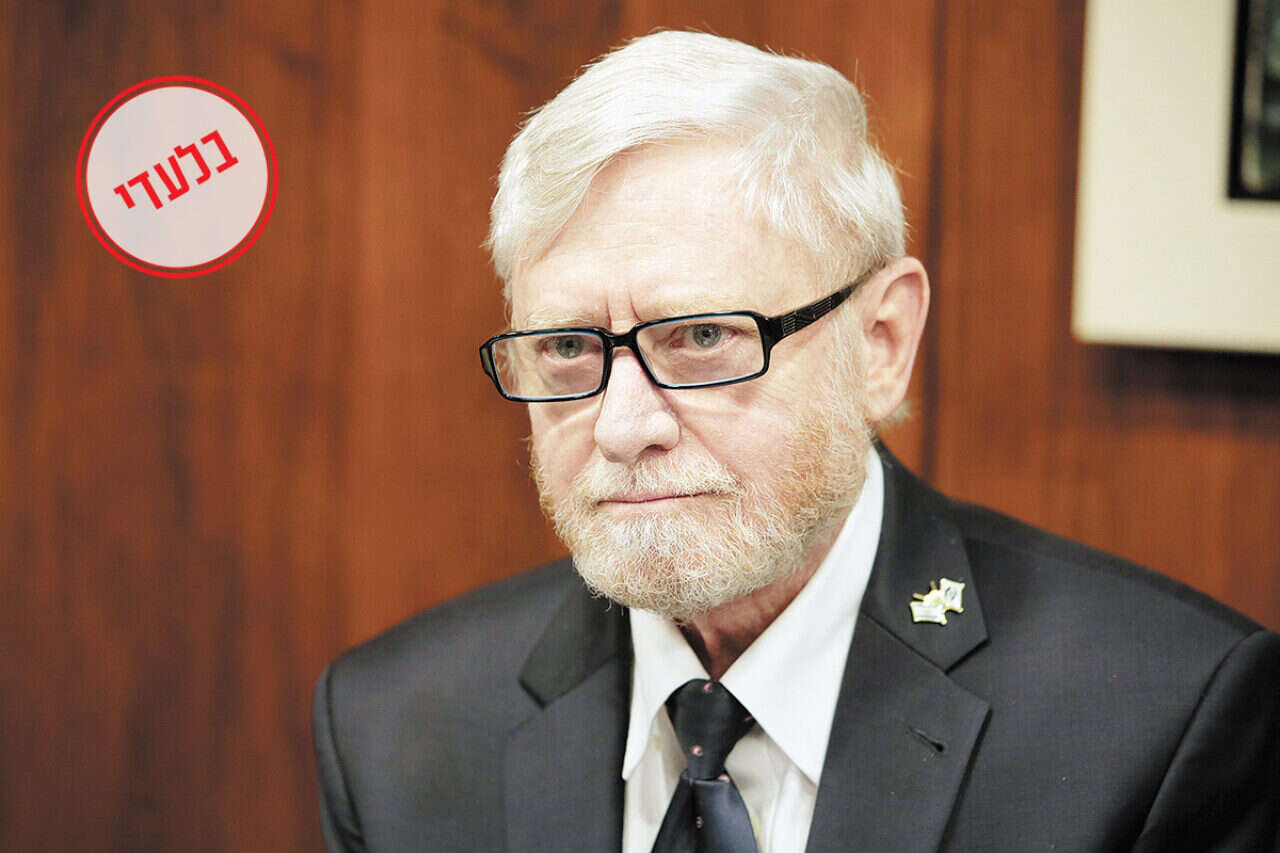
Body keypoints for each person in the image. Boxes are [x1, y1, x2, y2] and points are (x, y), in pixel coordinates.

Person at [312, 31, 1280, 852]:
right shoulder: (393, 728)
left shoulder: (1160, 718)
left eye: (701, 337)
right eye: (567, 348)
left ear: (881, 343)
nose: (623, 427)